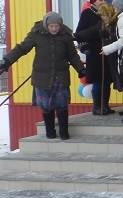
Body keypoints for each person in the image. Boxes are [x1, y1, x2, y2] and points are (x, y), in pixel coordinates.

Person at [0, 12, 85, 140]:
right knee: (46, 105)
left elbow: (72, 56)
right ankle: (50, 132)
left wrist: (80, 69)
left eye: (56, 26)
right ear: (46, 25)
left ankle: (64, 132)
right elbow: (22, 48)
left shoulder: (65, 36)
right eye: (51, 26)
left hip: (60, 76)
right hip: (42, 77)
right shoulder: (37, 34)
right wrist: (7, 61)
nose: (54, 29)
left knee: (62, 104)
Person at [75, 0, 117, 115]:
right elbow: (79, 34)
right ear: (93, 2)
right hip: (94, 52)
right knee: (98, 80)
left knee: (107, 80)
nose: (103, 2)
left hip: (108, 51)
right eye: (100, 0)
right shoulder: (88, 13)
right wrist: (98, 29)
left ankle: (105, 106)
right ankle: (97, 106)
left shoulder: (109, 13)